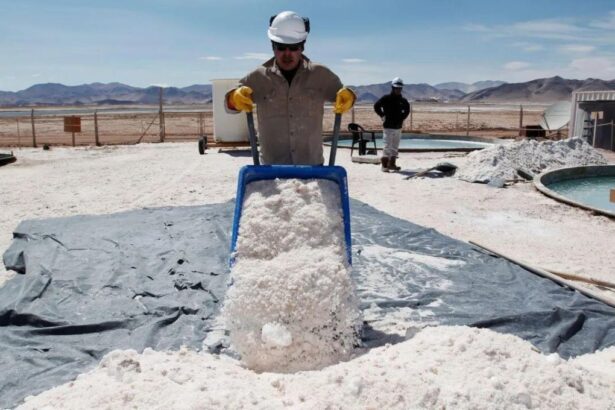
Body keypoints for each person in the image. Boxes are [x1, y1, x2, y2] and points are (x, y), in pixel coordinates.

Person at [225, 11, 355, 165]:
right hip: (271, 171)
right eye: (281, 47)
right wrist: (233, 99)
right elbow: (229, 107)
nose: (287, 54)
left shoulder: (322, 75)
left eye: (293, 47)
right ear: (273, 46)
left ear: (302, 47)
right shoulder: (257, 77)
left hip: (312, 169)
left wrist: (350, 97)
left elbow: (344, 96)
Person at [373, 77, 410, 172]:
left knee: (395, 147)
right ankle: (384, 165)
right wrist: (382, 115)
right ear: (392, 88)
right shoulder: (386, 98)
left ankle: (392, 164)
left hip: (398, 127)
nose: (398, 90)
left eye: (400, 88)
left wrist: (402, 118)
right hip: (388, 127)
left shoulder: (403, 100)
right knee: (387, 146)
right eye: (396, 88)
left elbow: (407, 110)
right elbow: (376, 106)